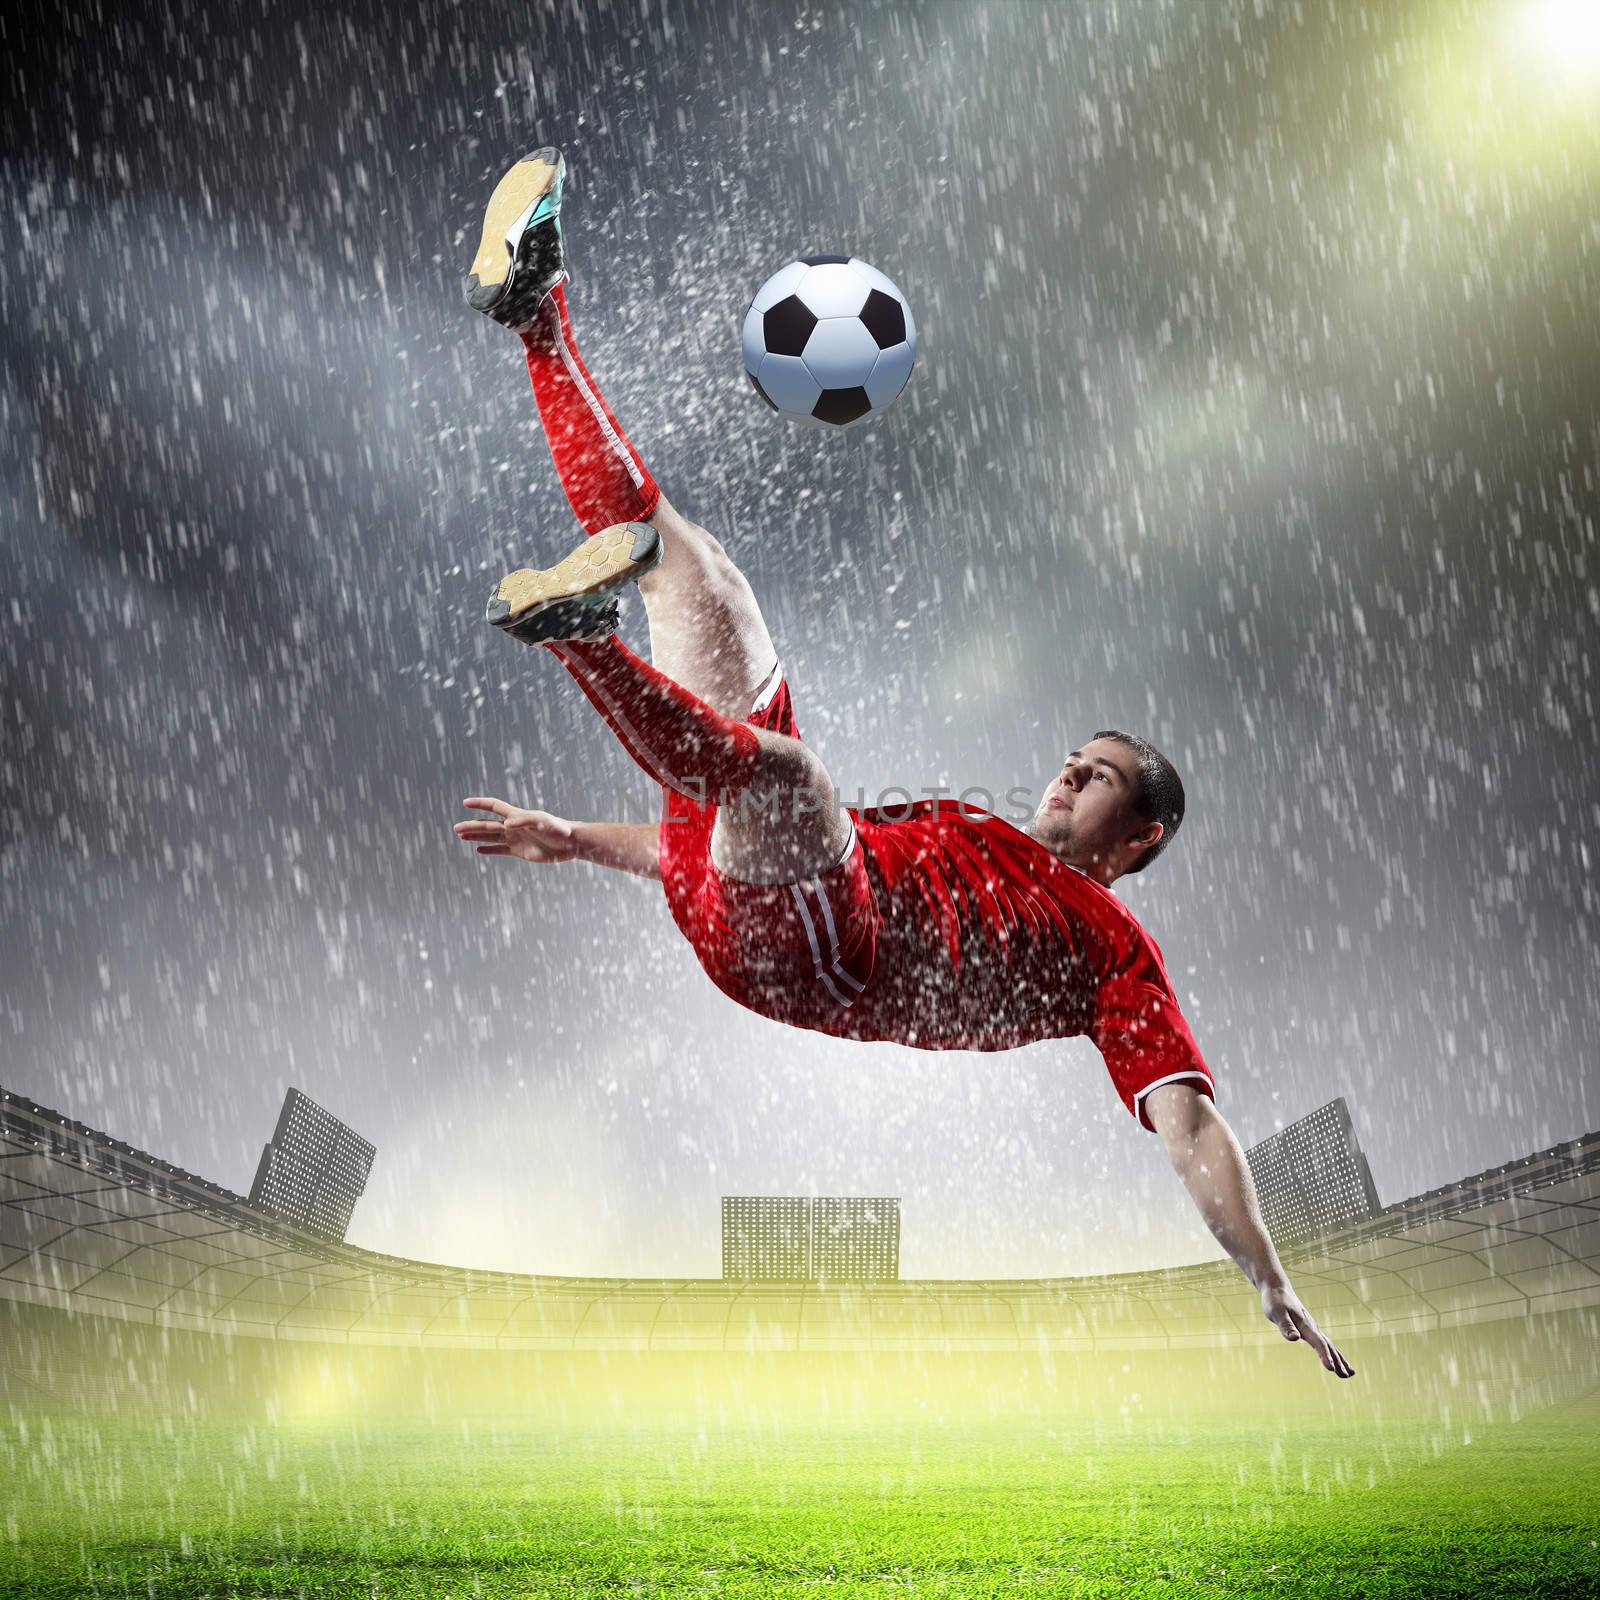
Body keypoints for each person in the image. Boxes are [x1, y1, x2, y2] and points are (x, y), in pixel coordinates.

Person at [451, 148, 1354, 1380]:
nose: (1062, 777)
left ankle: (582, 641)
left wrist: (1266, 1271)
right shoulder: (962, 828)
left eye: (1093, 779)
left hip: (824, 959)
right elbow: (728, 845)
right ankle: (537, 320)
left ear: (1135, 839)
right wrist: (571, 838)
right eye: (1069, 757)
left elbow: (1190, 1124)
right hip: (746, 887)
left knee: (789, 779)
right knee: (693, 570)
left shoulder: (1111, 953)